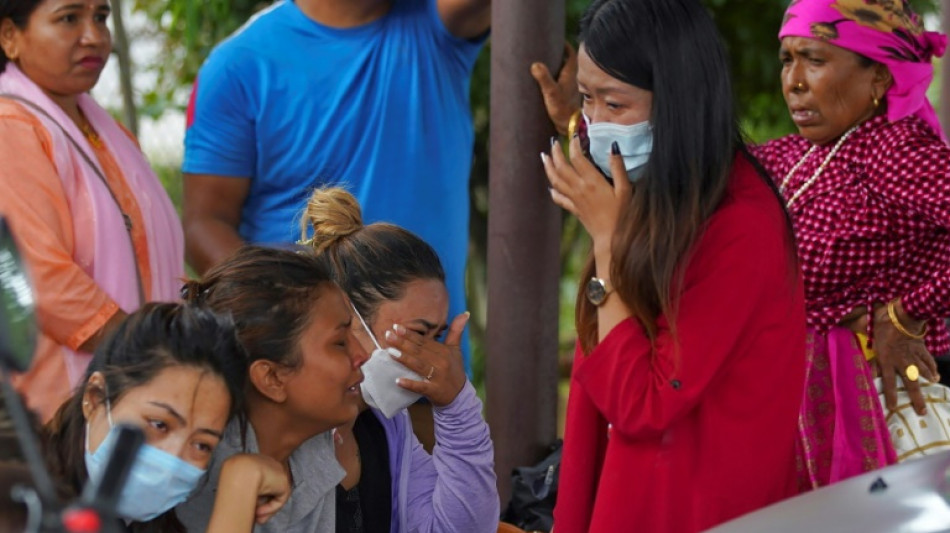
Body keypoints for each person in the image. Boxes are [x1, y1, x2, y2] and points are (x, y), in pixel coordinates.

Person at [538, 0, 807, 531]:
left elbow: (645, 403)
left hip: (690, 503)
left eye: (615, 103)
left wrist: (608, 242)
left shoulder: (739, 225)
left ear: (678, 101)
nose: (595, 123)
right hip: (632, 485)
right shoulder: (654, 188)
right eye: (587, 99)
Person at [181, 0, 492, 372]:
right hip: (306, 373)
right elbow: (205, 223)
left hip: (426, 373)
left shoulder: (434, 25)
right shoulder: (238, 65)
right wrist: (287, 312)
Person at [750, 0, 950, 489]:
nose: (794, 81)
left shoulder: (895, 150)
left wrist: (909, 313)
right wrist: (592, 114)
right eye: (787, 60)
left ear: (878, 77)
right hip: (811, 403)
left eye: (815, 60)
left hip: (891, 402)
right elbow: (691, 173)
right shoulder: (796, 156)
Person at [0, 0, 184, 421]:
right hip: (61, 405)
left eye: (101, 18)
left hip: (141, 381)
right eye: (69, 18)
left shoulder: (102, 128)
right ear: (10, 36)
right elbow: (38, 276)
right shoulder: (10, 125)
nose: (94, 36)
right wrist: (153, 349)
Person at [299, 187, 498, 533]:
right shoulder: (290, 423)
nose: (431, 358)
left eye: (436, 338)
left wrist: (457, 407)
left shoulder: (388, 426)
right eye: (417, 334)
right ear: (346, 317)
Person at [42, 302, 292, 532]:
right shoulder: (25, 502)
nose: (172, 458)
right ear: (96, 399)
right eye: (159, 424)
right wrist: (241, 483)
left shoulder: (154, 525)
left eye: (202, 445)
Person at [176, 246, 369, 533]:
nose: (362, 354)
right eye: (340, 342)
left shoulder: (313, 446)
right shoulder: (198, 473)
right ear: (271, 377)